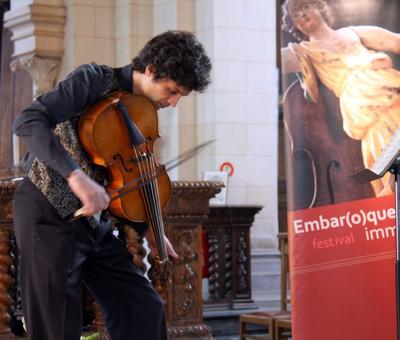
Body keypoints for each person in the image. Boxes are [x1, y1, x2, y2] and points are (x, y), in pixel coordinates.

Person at [12, 30, 212, 340]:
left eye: (179, 96)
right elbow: (28, 121)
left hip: (93, 225)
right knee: (57, 326)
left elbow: (131, 175)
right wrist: (75, 176)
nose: (172, 103)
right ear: (150, 70)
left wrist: (151, 231)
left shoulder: (142, 112)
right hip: (47, 214)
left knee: (142, 307)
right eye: (171, 91)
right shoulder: (93, 81)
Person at [281, 0, 400, 196]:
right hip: (367, 110)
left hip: (395, 92)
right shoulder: (304, 52)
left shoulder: (354, 33)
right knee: (390, 169)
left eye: (305, 7)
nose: (302, 15)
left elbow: (396, 41)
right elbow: (267, 59)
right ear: (294, 25)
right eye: (295, 15)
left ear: (318, 7)